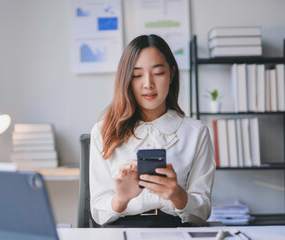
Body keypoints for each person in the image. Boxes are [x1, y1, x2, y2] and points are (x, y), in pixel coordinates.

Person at [89, 34, 216, 227]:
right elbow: (98, 212)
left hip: (177, 229)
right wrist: (120, 199)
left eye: (158, 73)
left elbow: (202, 212)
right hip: (120, 228)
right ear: (126, 79)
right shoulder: (103, 131)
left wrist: (178, 195)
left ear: (172, 74)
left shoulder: (196, 132)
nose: (148, 83)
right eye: (137, 75)